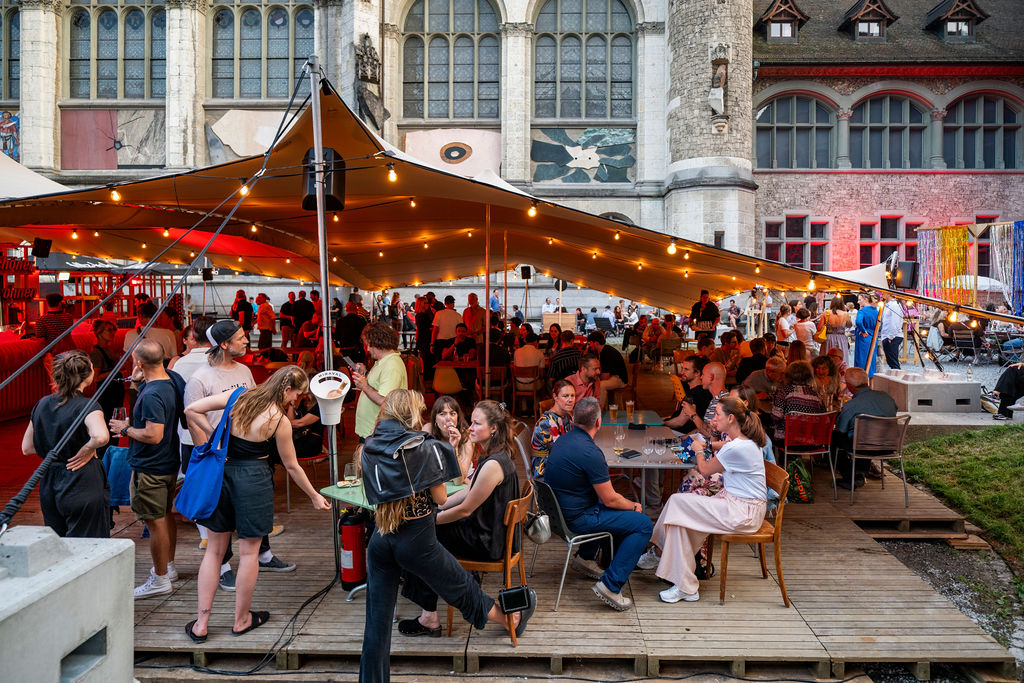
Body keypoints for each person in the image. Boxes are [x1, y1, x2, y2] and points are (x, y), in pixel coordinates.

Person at [360, 390, 535, 680]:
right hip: (417, 539)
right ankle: (509, 618)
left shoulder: (370, 447)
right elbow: (441, 498)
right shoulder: (423, 448)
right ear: (412, 415)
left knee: (376, 625)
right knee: (462, 587)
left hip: (381, 537)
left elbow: (374, 495)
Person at [184, 366, 331, 642]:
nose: (296, 401)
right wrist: (313, 495)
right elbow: (292, 466)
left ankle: (201, 624)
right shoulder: (279, 420)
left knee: (214, 552)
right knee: (250, 553)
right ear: (287, 389)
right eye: (297, 395)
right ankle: (241, 620)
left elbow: (192, 409)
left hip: (222, 476)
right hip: (254, 480)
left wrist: (216, 435)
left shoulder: (238, 397)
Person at [400, 400, 520, 637]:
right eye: (471, 422)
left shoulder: (494, 464)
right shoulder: (496, 454)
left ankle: (429, 617)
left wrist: (430, 521)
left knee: (419, 540)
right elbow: (467, 491)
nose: (469, 428)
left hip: (487, 542)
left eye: (476, 423)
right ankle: (430, 614)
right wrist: (438, 506)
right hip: (489, 533)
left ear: (493, 428)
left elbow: (466, 509)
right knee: (421, 536)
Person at [186, 319, 293, 582]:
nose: (247, 341)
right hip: (218, 456)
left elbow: (254, 407)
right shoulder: (200, 378)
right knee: (219, 516)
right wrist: (210, 445)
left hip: (248, 451)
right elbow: (191, 418)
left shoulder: (244, 371)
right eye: (241, 337)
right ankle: (223, 569)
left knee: (254, 506)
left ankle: (264, 555)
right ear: (224, 344)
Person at [641, 397, 767, 603]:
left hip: (743, 513)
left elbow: (706, 469)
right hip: (736, 505)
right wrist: (708, 443)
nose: (714, 418)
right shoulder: (743, 441)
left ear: (731, 418)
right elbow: (724, 444)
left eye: (718, 414)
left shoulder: (737, 448)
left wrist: (699, 450)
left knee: (677, 501)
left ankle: (660, 551)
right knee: (680, 519)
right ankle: (685, 585)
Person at [544, 397, 653, 611]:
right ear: (598, 422)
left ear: (574, 418)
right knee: (642, 524)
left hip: (558, 515)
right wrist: (633, 506)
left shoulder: (563, 440)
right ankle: (611, 586)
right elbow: (610, 499)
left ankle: (585, 559)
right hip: (577, 520)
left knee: (604, 504)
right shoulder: (590, 452)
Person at [108, 340, 182, 598]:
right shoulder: (171, 381)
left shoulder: (151, 395)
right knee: (164, 515)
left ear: (139, 363)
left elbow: (153, 435)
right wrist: (138, 383)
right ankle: (168, 567)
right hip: (169, 461)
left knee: (155, 521)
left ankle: (160, 578)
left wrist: (125, 429)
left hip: (151, 466)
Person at [22, 350, 110, 538]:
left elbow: (27, 447)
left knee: (58, 544)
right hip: (81, 479)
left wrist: (55, 449)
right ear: (88, 375)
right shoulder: (88, 406)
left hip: (50, 481)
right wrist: (87, 448)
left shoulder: (42, 404)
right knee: (88, 545)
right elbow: (101, 437)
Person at [831, 367, 897, 489]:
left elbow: (841, 429)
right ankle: (860, 472)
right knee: (860, 437)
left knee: (834, 438)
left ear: (850, 386)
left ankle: (851, 476)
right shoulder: (887, 398)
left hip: (862, 447)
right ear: (866, 382)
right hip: (888, 446)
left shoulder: (851, 405)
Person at [170, 317, 214, 475]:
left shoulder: (180, 364)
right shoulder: (218, 362)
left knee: (192, 481)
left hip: (187, 433)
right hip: (217, 433)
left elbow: (174, 396)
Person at [353, 321, 408, 441]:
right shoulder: (383, 362)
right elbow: (378, 385)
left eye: (368, 345)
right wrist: (365, 374)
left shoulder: (391, 365)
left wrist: (364, 386)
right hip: (374, 432)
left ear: (377, 343)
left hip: (379, 434)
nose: (367, 349)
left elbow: (385, 401)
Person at [89, 319, 125, 456]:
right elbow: (96, 378)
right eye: (109, 330)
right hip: (107, 395)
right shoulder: (96, 353)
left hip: (115, 393)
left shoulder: (108, 350)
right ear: (99, 333)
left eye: (113, 330)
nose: (113, 333)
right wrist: (116, 369)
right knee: (109, 425)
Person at [770, 360, 826, 449]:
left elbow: (776, 417)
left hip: (787, 441)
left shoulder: (784, 392)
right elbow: (823, 417)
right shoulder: (816, 395)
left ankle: (777, 461)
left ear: (789, 375)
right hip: (811, 442)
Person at [530, 379, 576, 478]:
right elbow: (562, 452)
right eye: (565, 396)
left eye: (572, 395)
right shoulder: (546, 423)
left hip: (560, 464)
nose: (570, 399)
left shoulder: (567, 416)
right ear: (555, 396)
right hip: (545, 471)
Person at [425, 396, 474, 482]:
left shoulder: (466, 436)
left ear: (457, 418)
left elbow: (458, 481)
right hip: (439, 481)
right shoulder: (428, 430)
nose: (448, 418)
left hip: (464, 482)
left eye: (452, 413)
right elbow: (428, 469)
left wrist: (454, 449)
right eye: (442, 414)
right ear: (435, 419)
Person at [676, 362, 728, 442]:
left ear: (711, 377)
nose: (700, 377)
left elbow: (711, 433)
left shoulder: (723, 402)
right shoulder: (716, 398)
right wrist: (681, 439)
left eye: (703, 374)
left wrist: (693, 415)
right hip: (699, 447)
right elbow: (703, 428)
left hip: (705, 452)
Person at [664, 355, 712, 434]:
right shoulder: (694, 391)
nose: (682, 372)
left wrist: (660, 423)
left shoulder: (695, 395)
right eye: (682, 368)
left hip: (681, 434)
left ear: (697, 373)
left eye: (686, 369)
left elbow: (679, 422)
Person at [588, 331, 628, 406]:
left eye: (590, 343)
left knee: (601, 385)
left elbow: (605, 376)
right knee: (594, 383)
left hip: (619, 379)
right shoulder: (602, 351)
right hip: (613, 377)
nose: (590, 346)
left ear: (596, 343)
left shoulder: (606, 353)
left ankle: (599, 411)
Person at [854, 293, 879, 377]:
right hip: (873, 337)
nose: (858, 302)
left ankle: (862, 383)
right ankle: (871, 384)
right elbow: (880, 325)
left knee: (861, 360)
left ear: (865, 299)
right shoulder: (876, 311)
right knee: (871, 361)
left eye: (860, 300)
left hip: (863, 338)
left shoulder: (862, 311)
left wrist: (863, 330)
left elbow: (858, 322)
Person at [431, 295, 462, 360]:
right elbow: (461, 330)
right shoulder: (458, 316)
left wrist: (432, 344)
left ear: (445, 303)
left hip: (440, 342)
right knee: (451, 361)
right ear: (453, 303)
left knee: (440, 362)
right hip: (453, 341)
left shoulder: (438, 314)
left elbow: (435, 330)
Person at [822, 298, 851, 364]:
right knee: (841, 358)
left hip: (828, 338)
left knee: (827, 359)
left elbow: (819, 327)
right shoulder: (845, 314)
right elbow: (849, 325)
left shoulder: (826, 313)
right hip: (841, 339)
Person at [880, 294, 904, 370]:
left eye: (884, 293)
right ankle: (895, 375)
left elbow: (895, 322)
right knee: (890, 360)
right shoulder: (887, 305)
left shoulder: (895, 305)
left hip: (893, 336)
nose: (882, 295)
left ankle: (897, 377)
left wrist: (891, 336)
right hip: (887, 335)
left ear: (889, 294)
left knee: (893, 361)